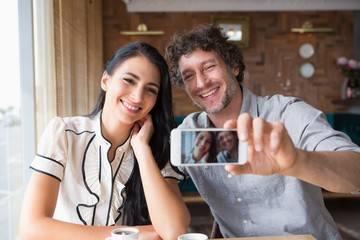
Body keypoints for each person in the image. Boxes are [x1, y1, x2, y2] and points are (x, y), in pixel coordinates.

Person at [165, 24, 360, 240]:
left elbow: (356, 172)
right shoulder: (188, 133)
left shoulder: (286, 114)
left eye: (209, 67)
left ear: (234, 67)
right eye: (189, 76)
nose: (201, 82)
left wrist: (297, 162)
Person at [19, 41, 190, 240]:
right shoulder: (64, 133)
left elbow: (174, 231)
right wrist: (134, 234)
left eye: (150, 90)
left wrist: (142, 150)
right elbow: (31, 228)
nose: (137, 96)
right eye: (129, 80)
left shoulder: (158, 147)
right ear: (105, 81)